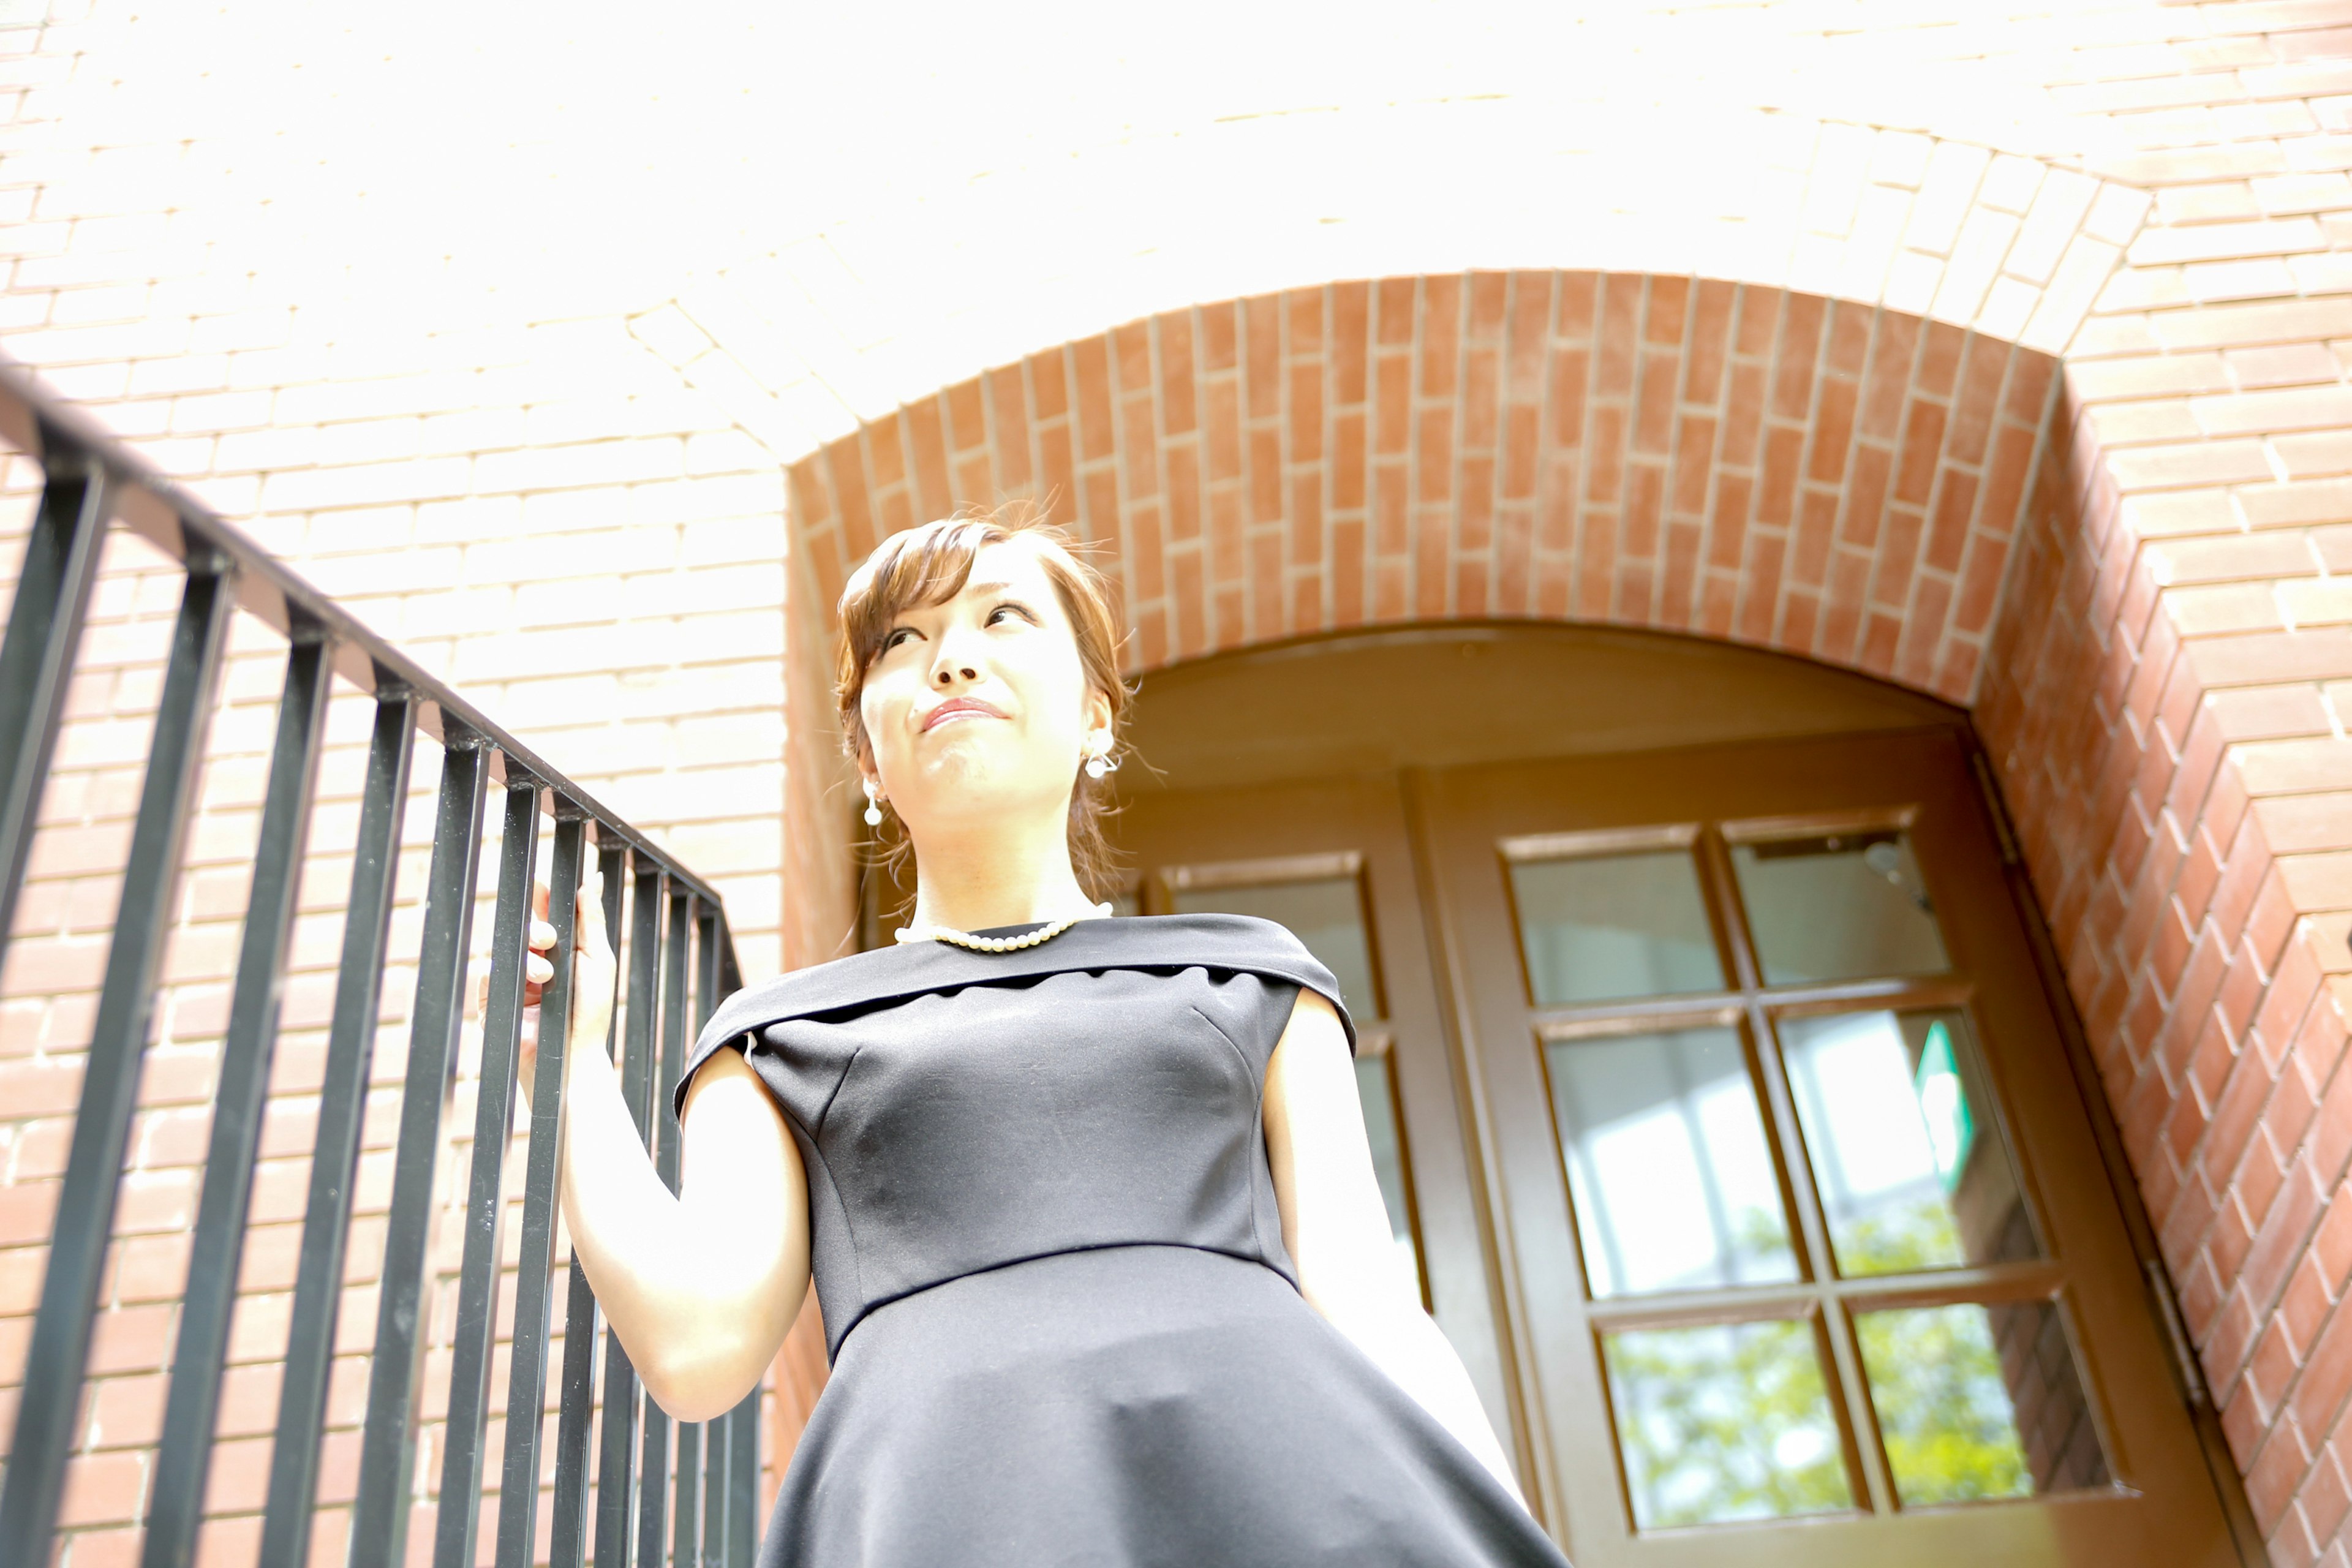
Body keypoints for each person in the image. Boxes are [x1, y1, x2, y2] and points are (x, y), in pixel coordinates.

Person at [514, 505, 1574, 1565]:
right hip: (943, 1510)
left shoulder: (1252, 976)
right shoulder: (778, 1039)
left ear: (1098, 716)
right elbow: (698, 1350)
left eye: (1002, 618)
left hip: (1293, 1485)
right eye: (903, 642)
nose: (952, 664)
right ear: (868, 761)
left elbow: (1372, 1305)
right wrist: (569, 1071)